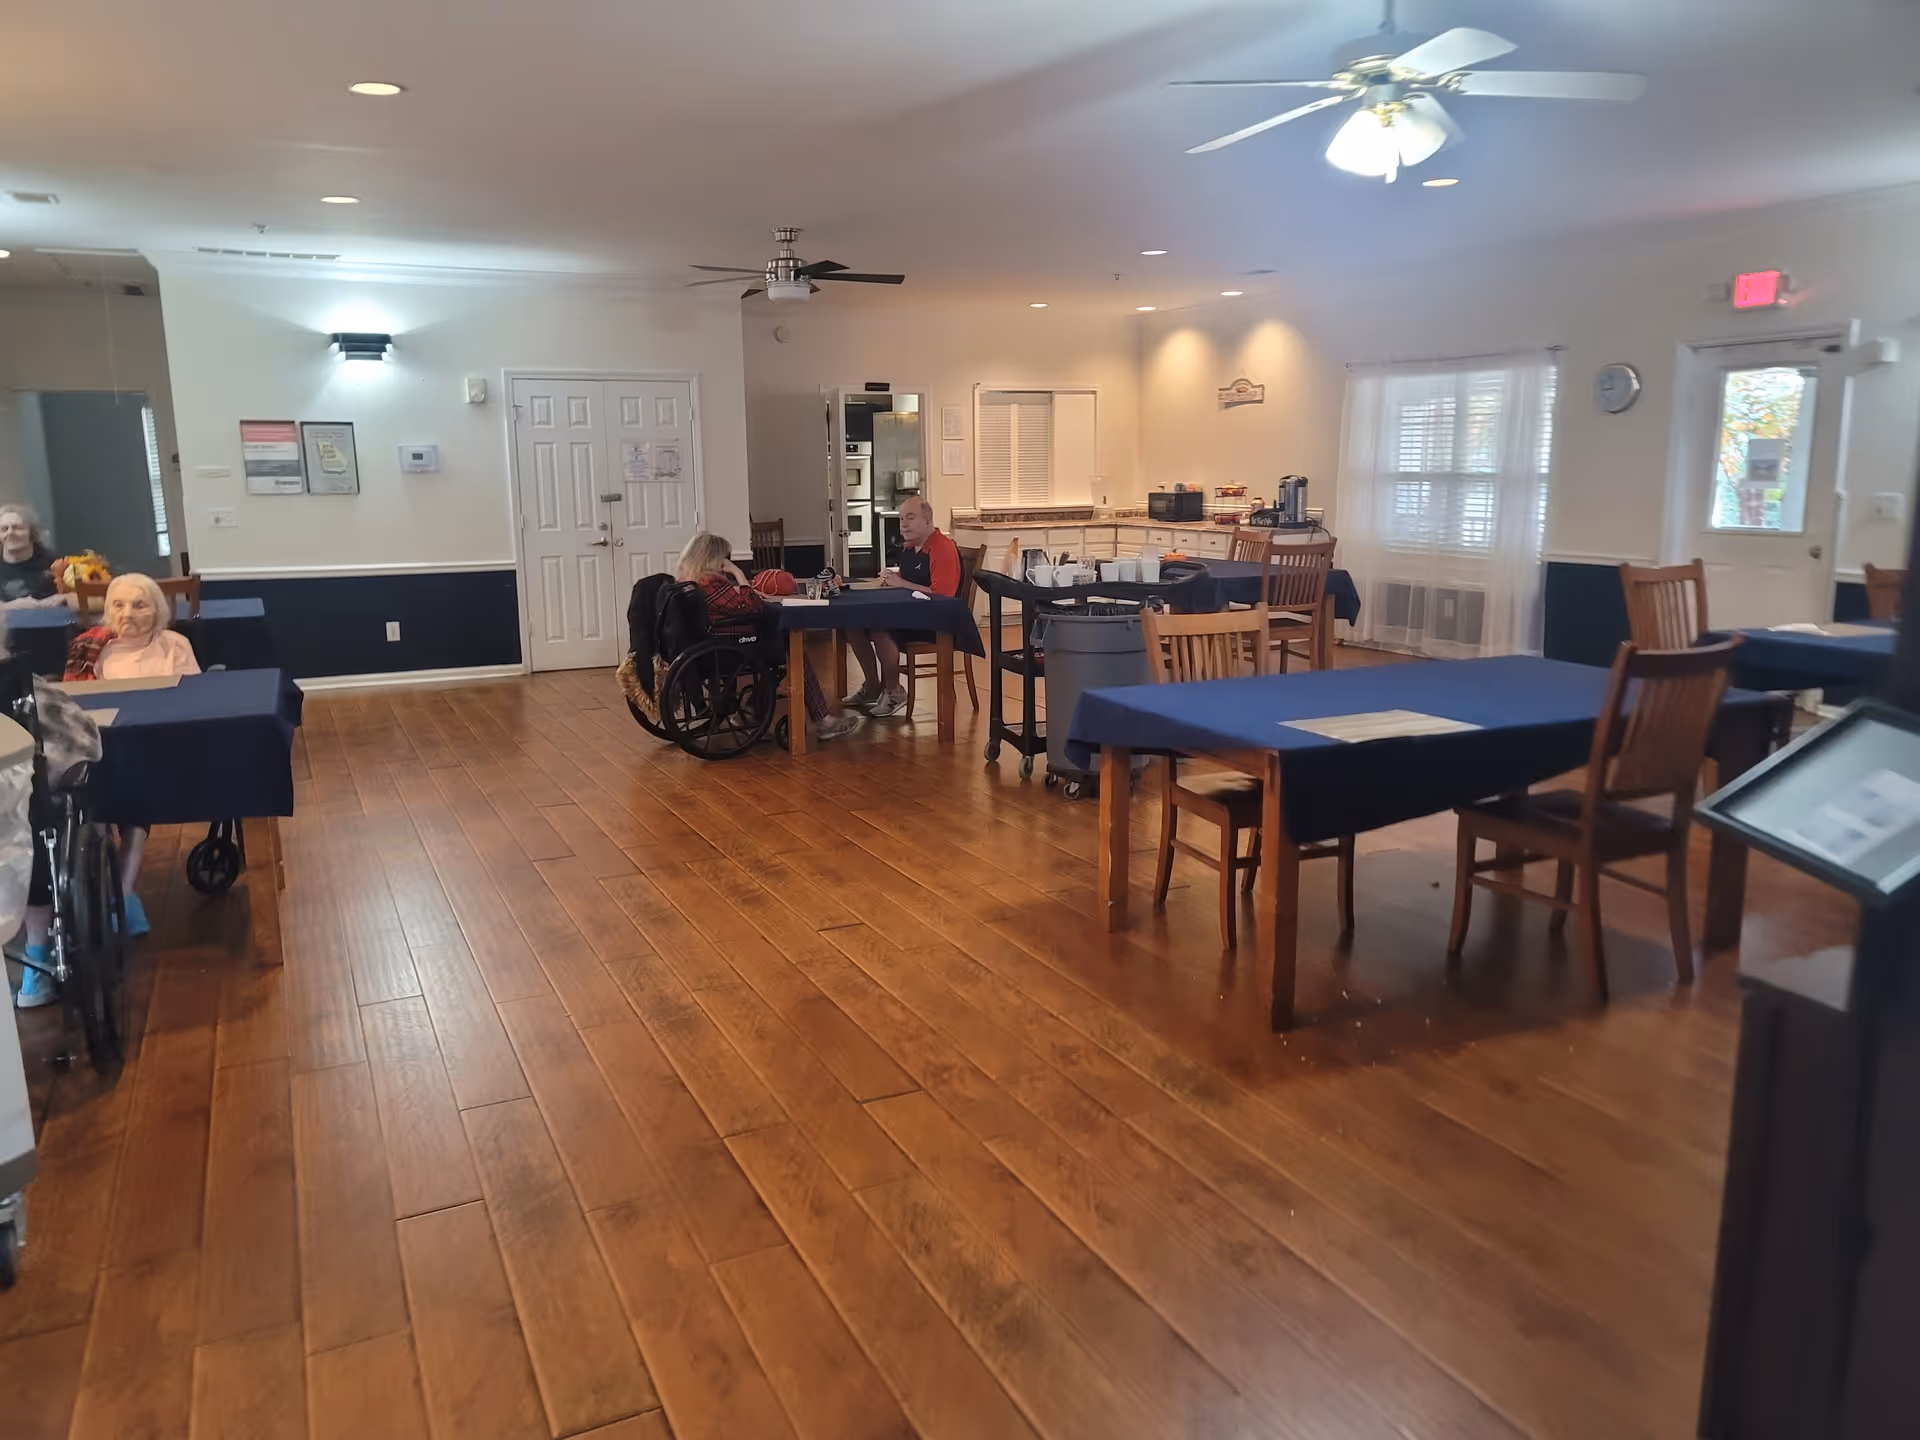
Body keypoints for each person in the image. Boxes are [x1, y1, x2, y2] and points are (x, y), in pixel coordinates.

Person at [52, 574, 197, 947]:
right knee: (95, 808)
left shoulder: (174, 645)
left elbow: (199, 700)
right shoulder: (91, 650)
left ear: (158, 608)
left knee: (133, 807)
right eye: (118, 604)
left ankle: (124, 893)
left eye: (139, 604)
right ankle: (109, 894)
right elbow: (75, 713)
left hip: (161, 750)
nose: (128, 612)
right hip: (104, 749)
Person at [675, 534, 863, 742]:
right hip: (727, 647)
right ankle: (823, 721)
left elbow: (734, 606)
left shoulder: (688, 581)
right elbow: (751, 607)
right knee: (793, 649)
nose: (727, 562)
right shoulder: (711, 583)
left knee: (778, 644)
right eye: (726, 557)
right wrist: (738, 574)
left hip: (712, 642)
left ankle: (753, 708)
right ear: (714, 558)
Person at [843, 494, 960, 717]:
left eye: (910, 517)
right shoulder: (909, 548)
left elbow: (944, 595)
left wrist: (902, 582)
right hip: (911, 614)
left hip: (936, 620)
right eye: (901, 519)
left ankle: (894, 691)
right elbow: (910, 584)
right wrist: (890, 579)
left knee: (879, 627)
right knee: (852, 623)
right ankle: (872, 685)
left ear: (928, 520)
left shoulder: (941, 547)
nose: (903, 523)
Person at [0, 504, 66, 609]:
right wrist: (9, 606)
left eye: (18, 528)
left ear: (32, 533)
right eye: (4, 529)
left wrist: (64, 597)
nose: (10, 532)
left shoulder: (56, 564)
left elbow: (86, 597)